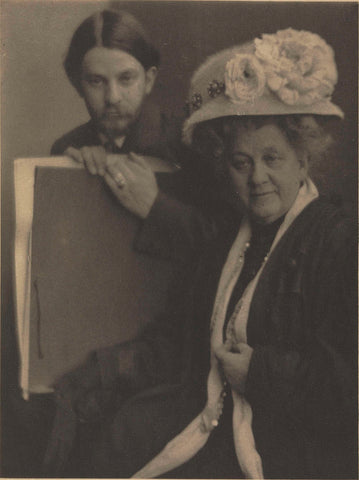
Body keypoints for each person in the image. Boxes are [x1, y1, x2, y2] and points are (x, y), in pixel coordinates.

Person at [45, 29, 357, 478]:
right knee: (111, 438)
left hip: (289, 449)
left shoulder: (341, 244)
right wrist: (104, 370)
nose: (257, 178)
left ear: (303, 159)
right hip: (209, 426)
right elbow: (181, 344)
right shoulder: (226, 242)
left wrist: (261, 373)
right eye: (241, 162)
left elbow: (349, 389)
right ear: (223, 164)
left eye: (273, 158)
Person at [51, 9, 228, 260]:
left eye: (126, 79)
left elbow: (227, 245)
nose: (112, 97)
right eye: (96, 81)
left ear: (148, 79)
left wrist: (155, 206)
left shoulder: (189, 143)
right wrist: (76, 173)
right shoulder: (67, 149)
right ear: (78, 83)